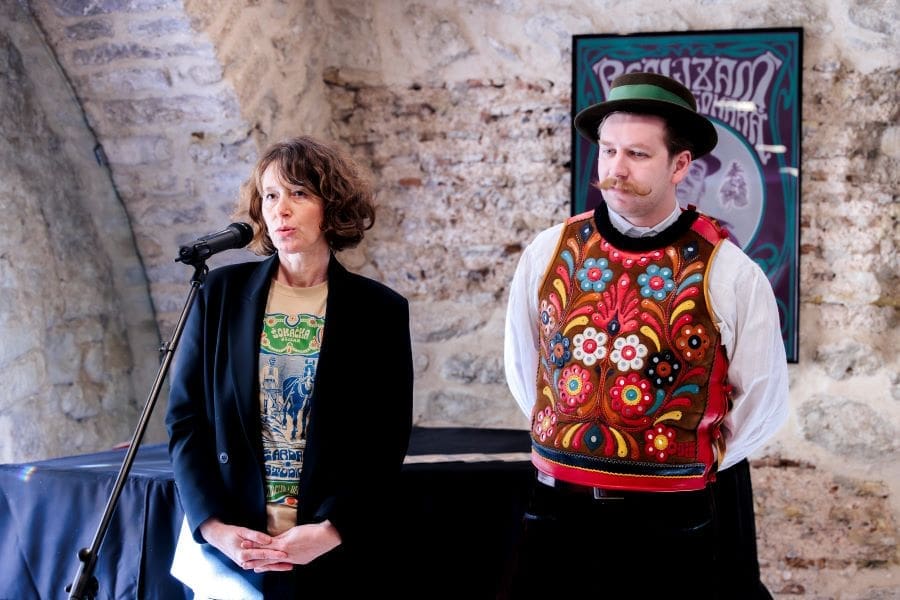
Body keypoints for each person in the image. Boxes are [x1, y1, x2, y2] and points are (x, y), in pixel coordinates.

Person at [502, 72, 788, 599]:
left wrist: (679, 464)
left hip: (670, 525)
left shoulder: (729, 272)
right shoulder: (548, 252)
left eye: (637, 153)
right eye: (608, 150)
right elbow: (526, 370)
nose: (616, 168)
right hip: (557, 511)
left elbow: (761, 402)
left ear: (680, 164)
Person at [166, 136, 414, 598]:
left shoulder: (379, 310)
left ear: (331, 207)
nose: (280, 209)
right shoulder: (218, 295)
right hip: (232, 552)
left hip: (330, 553)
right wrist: (214, 528)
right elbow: (185, 419)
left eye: (298, 193)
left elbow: (385, 439)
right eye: (270, 195)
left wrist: (331, 530)